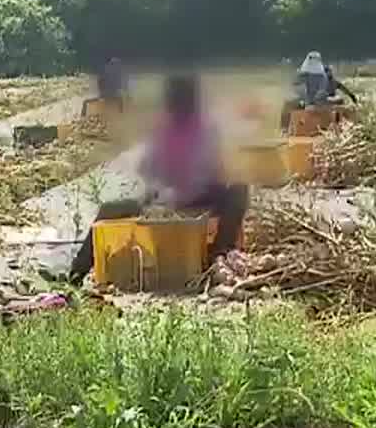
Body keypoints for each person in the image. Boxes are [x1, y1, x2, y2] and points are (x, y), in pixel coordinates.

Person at [67, 73, 250, 285]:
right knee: (239, 189)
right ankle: (76, 272)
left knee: (239, 188)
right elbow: (151, 167)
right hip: (175, 198)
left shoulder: (196, 128)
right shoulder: (174, 129)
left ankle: (220, 253)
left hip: (188, 196)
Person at [281, 51, 358, 129]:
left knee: (339, 102)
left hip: (325, 102)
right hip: (316, 103)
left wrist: (351, 96)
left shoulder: (331, 82)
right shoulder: (314, 78)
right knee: (290, 104)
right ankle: (285, 127)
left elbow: (343, 90)